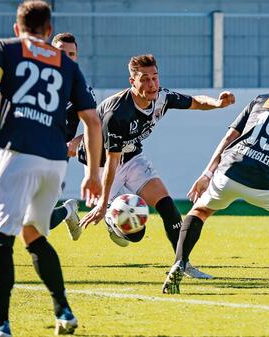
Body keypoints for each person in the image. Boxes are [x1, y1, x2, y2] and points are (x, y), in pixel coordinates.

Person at [0, 1, 102, 336]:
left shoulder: (3, 49)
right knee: (34, 235)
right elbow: (93, 122)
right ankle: (64, 311)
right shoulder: (67, 65)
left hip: (17, 154)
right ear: (49, 31)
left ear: (17, 28)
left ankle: (0, 324)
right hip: (54, 162)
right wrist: (93, 173)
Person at [162, 59, 269, 294]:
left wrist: (206, 174)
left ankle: (180, 261)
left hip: (229, 171)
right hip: (266, 184)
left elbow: (228, 139)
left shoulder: (261, 99)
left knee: (200, 210)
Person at [78, 54, 235, 279]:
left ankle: (182, 264)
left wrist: (218, 103)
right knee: (135, 235)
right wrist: (103, 205)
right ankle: (111, 220)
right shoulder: (118, 113)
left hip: (131, 157)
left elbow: (195, 102)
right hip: (103, 165)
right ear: (132, 82)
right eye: (144, 79)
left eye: (155, 78)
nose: (152, 84)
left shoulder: (162, 97)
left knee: (167, 206)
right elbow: (112, 161)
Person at [0, 32, 91, 268]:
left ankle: (65, 211)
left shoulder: (80, 87)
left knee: (34, 217)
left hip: (52, 155)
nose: (67, 58)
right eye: (62, 53)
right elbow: (8, 96)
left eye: (72, 54)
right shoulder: (40, 77)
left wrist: (75, 142)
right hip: (14, 142)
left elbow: (97, 126)